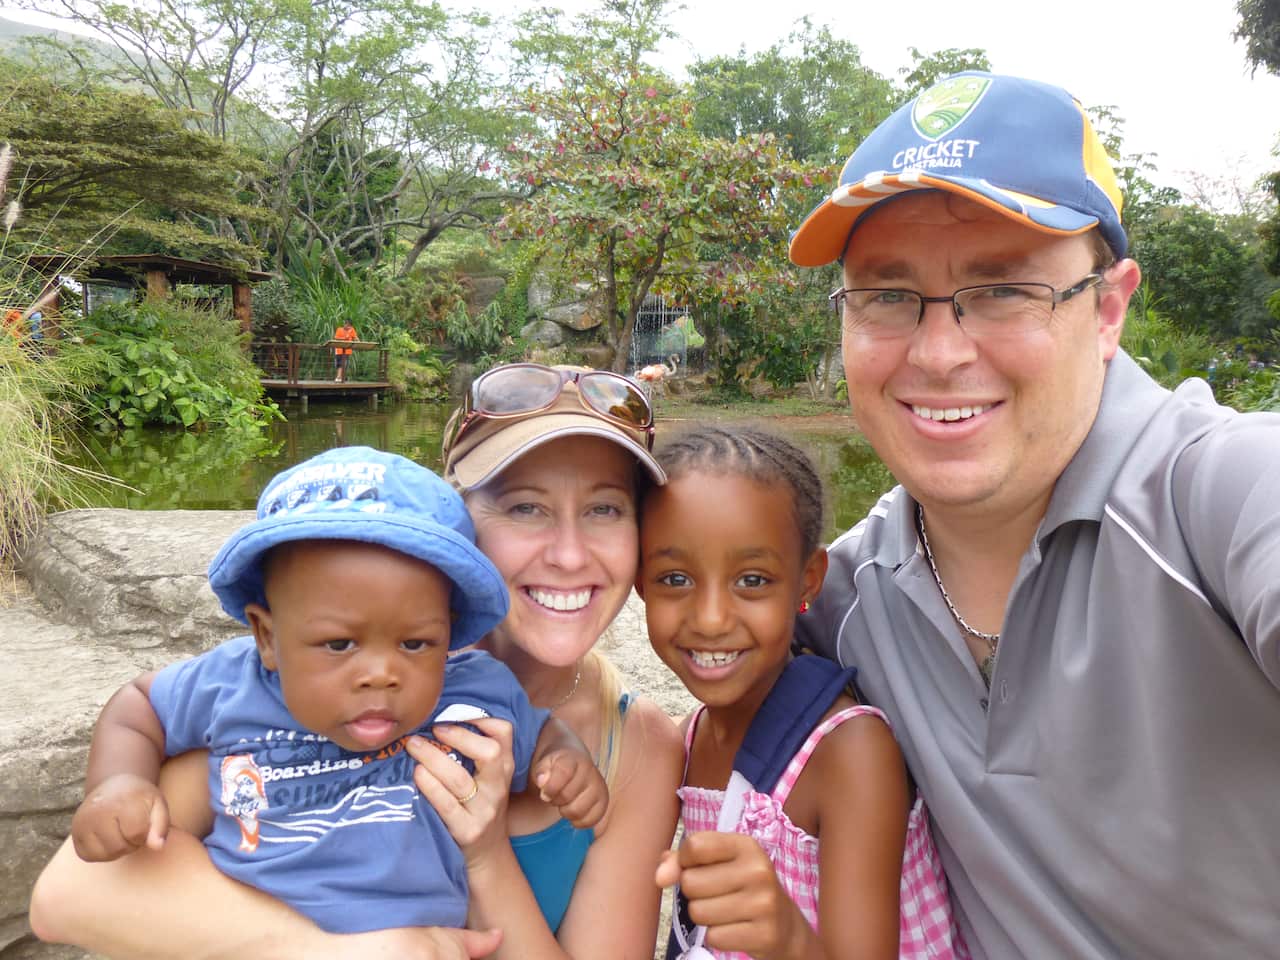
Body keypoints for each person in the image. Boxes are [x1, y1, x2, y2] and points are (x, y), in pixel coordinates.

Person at [787, 70, 1280, 958]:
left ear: (1109, 309)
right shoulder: (841, 600)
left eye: (1004, 288)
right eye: (888, 295)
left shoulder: (1221, 495)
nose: (938, 354)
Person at [30, 363, 685, 960]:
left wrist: (484, 853)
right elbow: (70, 896)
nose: (569, 554)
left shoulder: (633, 747)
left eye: (605, 508)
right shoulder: (291, 705)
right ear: (460, 519)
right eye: (525, 507)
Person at [67, 445, 608, 933]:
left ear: (450, 635)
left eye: (416, 644)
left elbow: (539, 729)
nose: (380, 673)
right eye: (339, 644)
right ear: (268, 637)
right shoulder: (232, 682)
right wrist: (118, 783)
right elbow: (137, 706)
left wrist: (564, 759)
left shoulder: (472, 692)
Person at [639, 426, 964, 960]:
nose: (712, 619)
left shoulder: (850, 753)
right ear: (638, 583)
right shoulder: (689, 738)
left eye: (753, 580)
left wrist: (788, 939)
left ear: (809, 581)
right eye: (675, 579)